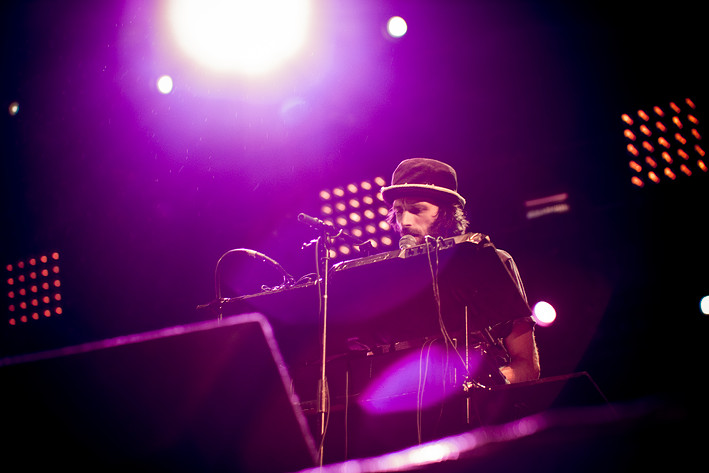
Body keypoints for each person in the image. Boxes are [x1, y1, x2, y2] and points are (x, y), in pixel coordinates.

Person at [381, 157, 540, 384]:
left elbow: (527, 366)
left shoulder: (492, 261)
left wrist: (486, 385)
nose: (404, 221)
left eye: (416, 210)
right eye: (398, 211)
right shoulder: (386, 278)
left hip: (483, 408)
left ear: (445, 213)